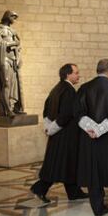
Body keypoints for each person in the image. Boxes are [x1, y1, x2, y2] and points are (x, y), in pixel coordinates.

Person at [75, 59, 108, 216]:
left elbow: (77, 112)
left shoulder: (84, 88)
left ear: (97, 70)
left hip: (89, 138)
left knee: (94, 171)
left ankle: (97, 207)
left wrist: (92, 129)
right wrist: (100, 129)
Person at [31, 64, 87, 203]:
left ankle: (74, 192)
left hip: (58, 134)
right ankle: (40, 188)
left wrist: (48, 127)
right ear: (68, 75)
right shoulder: (69, 91)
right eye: (76, 73)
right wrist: (51, 129)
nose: (78, 75)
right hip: (65, 136)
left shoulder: (56, 88)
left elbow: (46, 109)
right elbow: (66, 115)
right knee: (59, 165)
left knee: (65, 164)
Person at [0, 10, 25, 116]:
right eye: (13, 17)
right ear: (7, 16)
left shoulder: (12, 31)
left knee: (15, 86)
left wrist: (18, 55)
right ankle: (6, 110)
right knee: (5, 84)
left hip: (13, 60)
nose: (14, 20)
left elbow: (19, 44)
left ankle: (14, 107)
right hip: (3, 59)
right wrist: (13, 43)